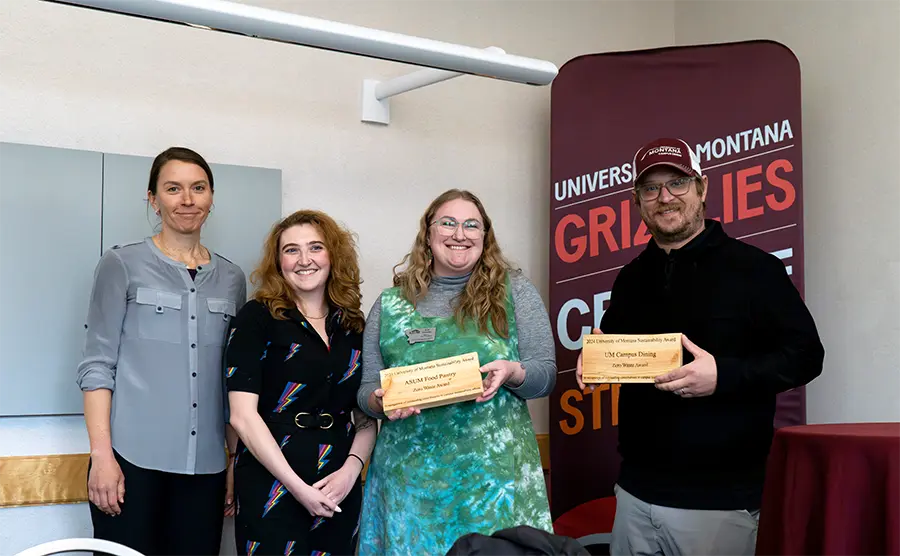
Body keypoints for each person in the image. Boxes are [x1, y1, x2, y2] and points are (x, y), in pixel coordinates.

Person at [575, 137, 825, 556]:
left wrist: (724, 376)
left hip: (720, 502)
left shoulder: (755, 269)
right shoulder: (630, 278)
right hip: (635, 494)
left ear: (702, 188)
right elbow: (615, 351)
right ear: (637, 202)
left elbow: (806, 356)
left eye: (677, 183)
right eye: (651, 189)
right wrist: (596, 365)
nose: (665, 198)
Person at [357, 188, 556, 555]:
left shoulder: (515, 292)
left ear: (485, 235)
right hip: (410, 489)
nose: (459, 234)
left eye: (471, 225)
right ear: (428, 234)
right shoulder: (390, 304)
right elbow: (367, 389)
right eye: (447, 223)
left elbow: (545, 375)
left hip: (496, 488)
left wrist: (512, 371)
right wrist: (379, 401)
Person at [76, 146, 247, 556]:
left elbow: (234, 382)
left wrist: (231, 464)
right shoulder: (121, 264)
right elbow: (97, 365)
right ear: (153, 198)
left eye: (198, 188)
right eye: (173, 189)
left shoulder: (233, 279)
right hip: (130, 462)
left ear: (211, 197)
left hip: (205, 468)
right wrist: (102, 457)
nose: (187, 200)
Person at [225, 210, 376, 556]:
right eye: (291, 250)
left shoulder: (353, 324)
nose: (304, 260)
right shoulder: (257, 317)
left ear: (332, 256)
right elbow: (242, 416)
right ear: (278, 262)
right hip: (272, 482)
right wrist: (297, 487)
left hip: (339, 482)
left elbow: (366, 414)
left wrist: (351, 472)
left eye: (315, 248)